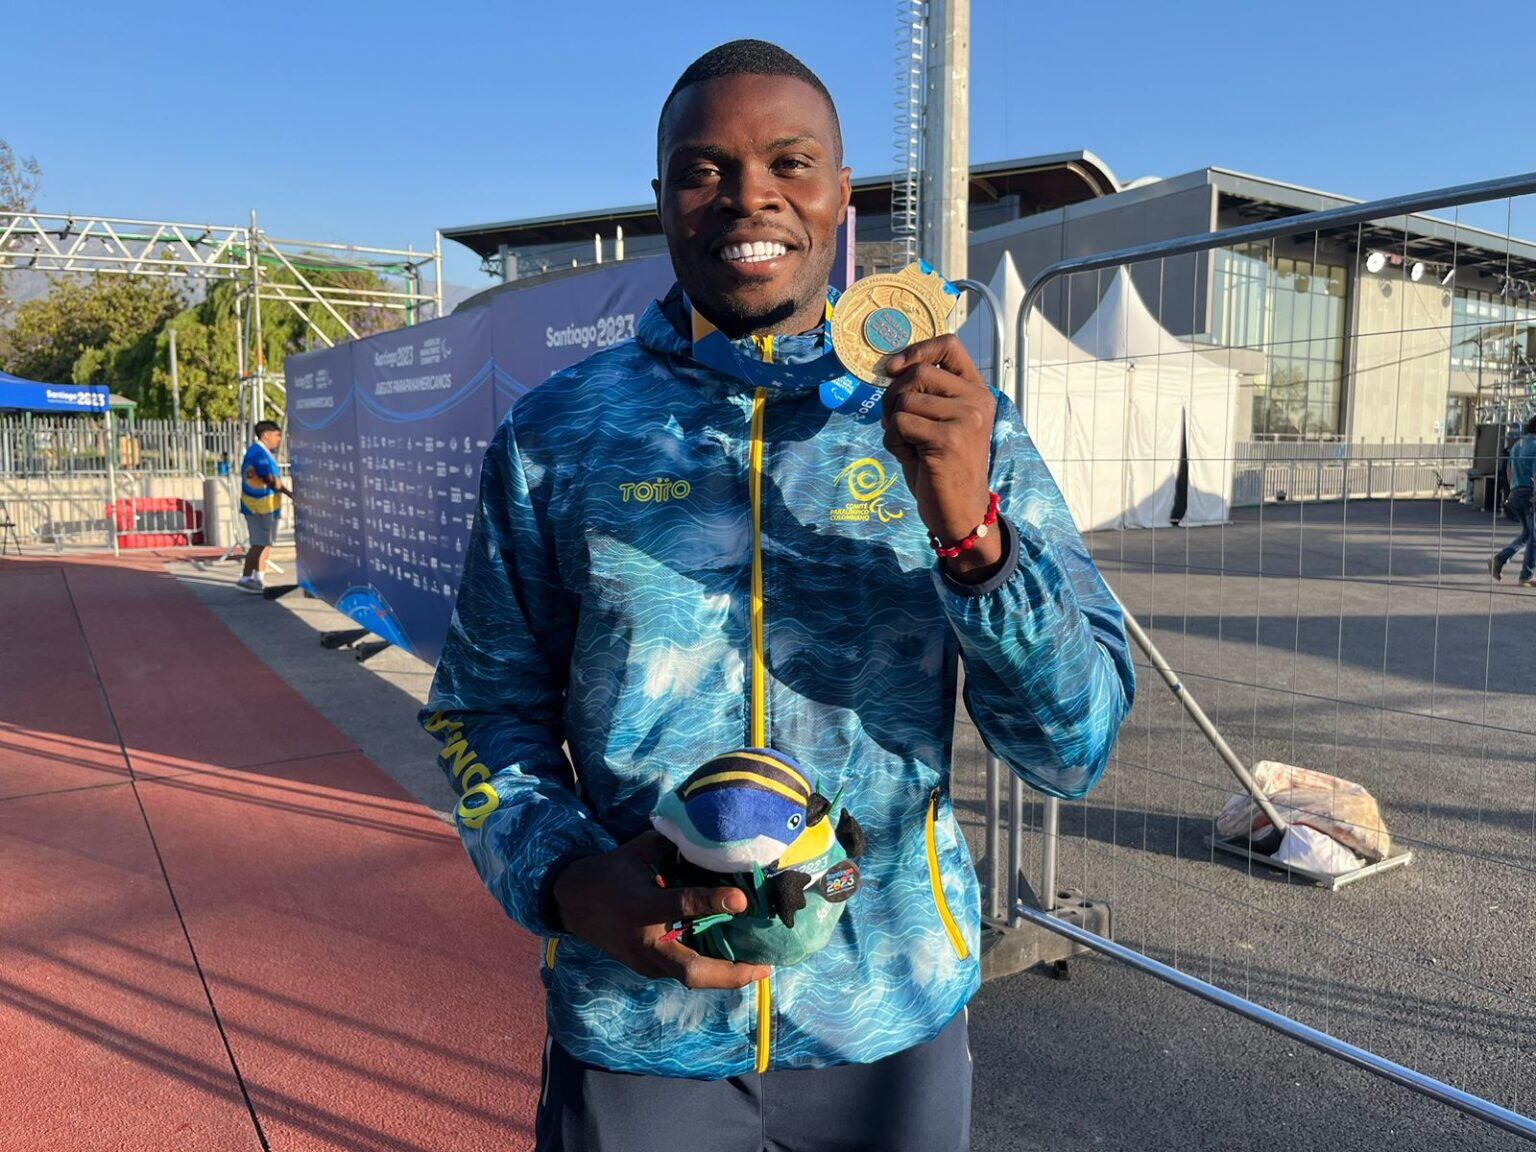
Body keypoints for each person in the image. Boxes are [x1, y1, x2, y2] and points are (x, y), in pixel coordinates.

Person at [421, 40, 1134, 1152]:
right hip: (642, 1023)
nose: (750, 196)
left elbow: (1072, 749)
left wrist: (968, 529)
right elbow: (479, 712)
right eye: (705, 170)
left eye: (791, 163)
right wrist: (561, 879)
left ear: (843, 195)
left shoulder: (952, 424)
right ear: (663, 199)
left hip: (887, 1020)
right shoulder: (560, 435)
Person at [236, 420, 291, 594]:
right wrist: (290, 494)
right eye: (276, 435)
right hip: (257, 506)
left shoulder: (264, 452)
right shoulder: (257, 452)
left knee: (265, 543)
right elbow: (269, 479)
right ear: (266, 434)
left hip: (267, 505)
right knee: (259, 543)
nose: (279, 439)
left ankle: (257, 577)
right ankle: (247, 578)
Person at [1489, 413, 1536, 587]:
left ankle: (1499, 559)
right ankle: (1526, 576)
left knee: (1527, 534)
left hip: (1516, 492)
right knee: (1534, 537)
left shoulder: (1517, 445)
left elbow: (1509, 470)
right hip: (1530, 494)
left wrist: (1511, 491)